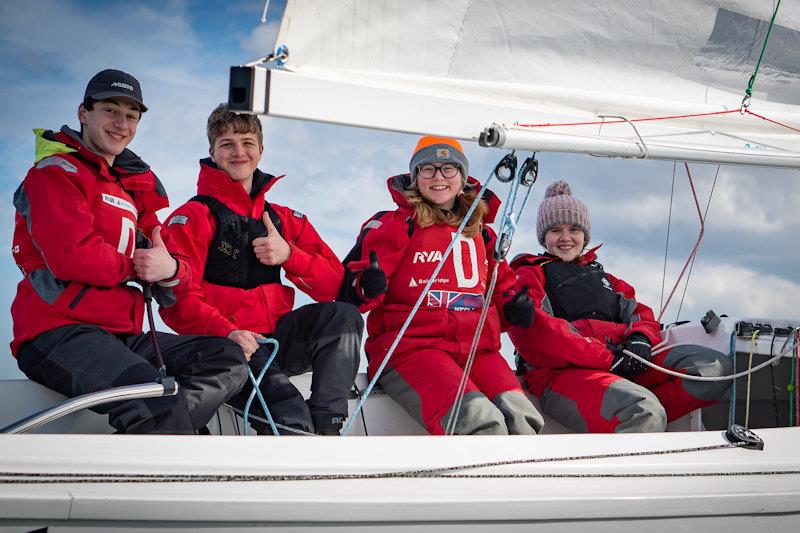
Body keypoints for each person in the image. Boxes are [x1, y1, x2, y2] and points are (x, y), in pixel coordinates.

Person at [10, 69, 248, 434]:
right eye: (110, 110)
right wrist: (140, 267)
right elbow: (71, 254)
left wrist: (168, 270)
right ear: (83, 112)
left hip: (121, 334)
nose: (121, 123)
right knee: (155, 398)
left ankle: (165, 431)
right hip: (57, 332)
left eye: (131, 116)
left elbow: (173, 261)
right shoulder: (54, 173)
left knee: (225, 359)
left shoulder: (130, 190)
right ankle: (166, 433)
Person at [159, 104, 361, 436]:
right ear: (212, 151)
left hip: (277, 340)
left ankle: (328, 426)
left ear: (261, 150)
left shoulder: (283, 219)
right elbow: (176, 302)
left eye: (247, 142)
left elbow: (334, 286)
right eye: (227, 143)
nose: (239, 152)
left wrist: (289, 255)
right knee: (292, 423)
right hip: (226, 348)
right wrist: (228, 332)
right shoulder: (193, 217)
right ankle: (297, 439)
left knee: (342, 315)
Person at [339, 136, 544, 435]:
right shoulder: (394, 224)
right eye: (428, 169)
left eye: (449, 169)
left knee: (524, 419)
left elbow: (501, 290)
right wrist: (367, 286)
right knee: (480, 423)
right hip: (414, 349)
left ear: (463, 178)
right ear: (415, 178)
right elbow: (351, 291)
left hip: (477, 351)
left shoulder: (481, 235)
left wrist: (514, 309)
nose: (438, 177)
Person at [509, 180, 733, 433]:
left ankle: (643, 421)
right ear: (543, 237)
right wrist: (609, 360)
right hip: (562, 375)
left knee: (713, 369)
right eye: (555, 230)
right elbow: (539, 336)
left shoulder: (608, 280)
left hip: (623, 362)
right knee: (642, 410)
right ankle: (640, 418)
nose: (566, 238)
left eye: (574, 229)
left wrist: (639, 338)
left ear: (585, 235)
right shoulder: (530, 276)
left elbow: (642, 315)